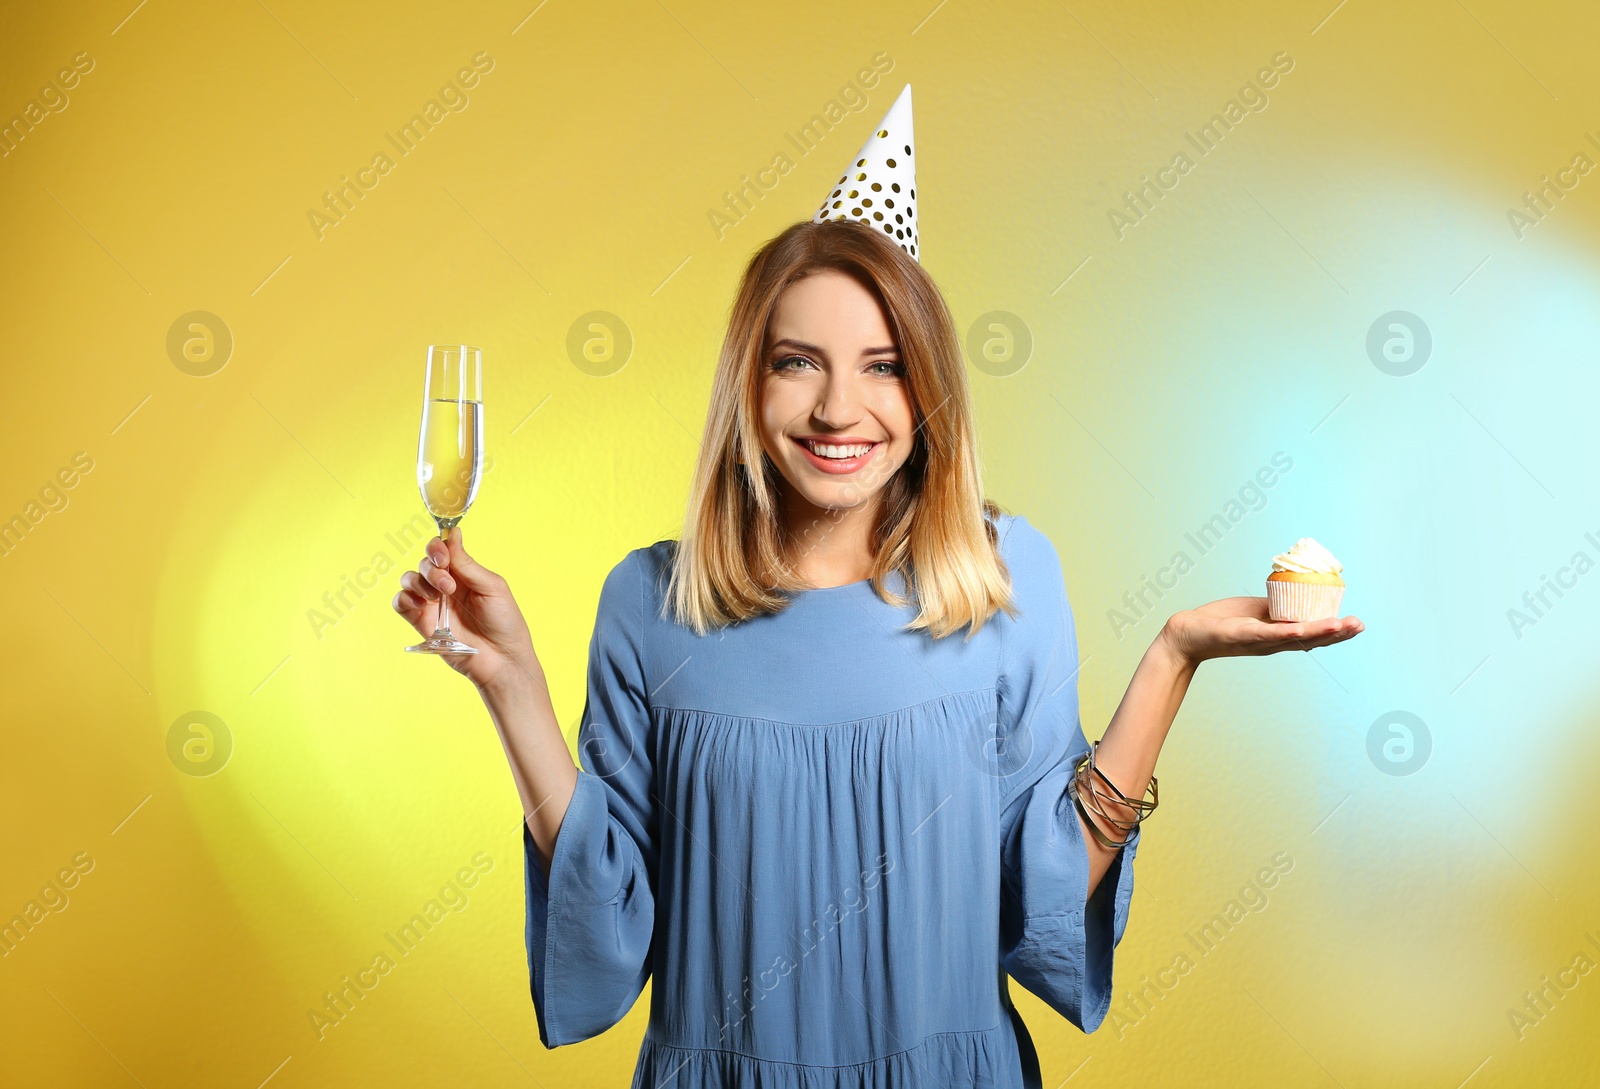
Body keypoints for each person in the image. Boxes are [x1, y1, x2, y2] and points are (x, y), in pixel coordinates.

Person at [393, 214, 1363, 1088]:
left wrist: (1170, 658)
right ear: (747, 381)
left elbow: (1047, 897)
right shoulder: (647, 604)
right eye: (796, 361)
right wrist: (512, 688)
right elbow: (610, 921)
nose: (837, 409)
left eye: (883, 364)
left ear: (926, 387)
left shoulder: (1004, 578)